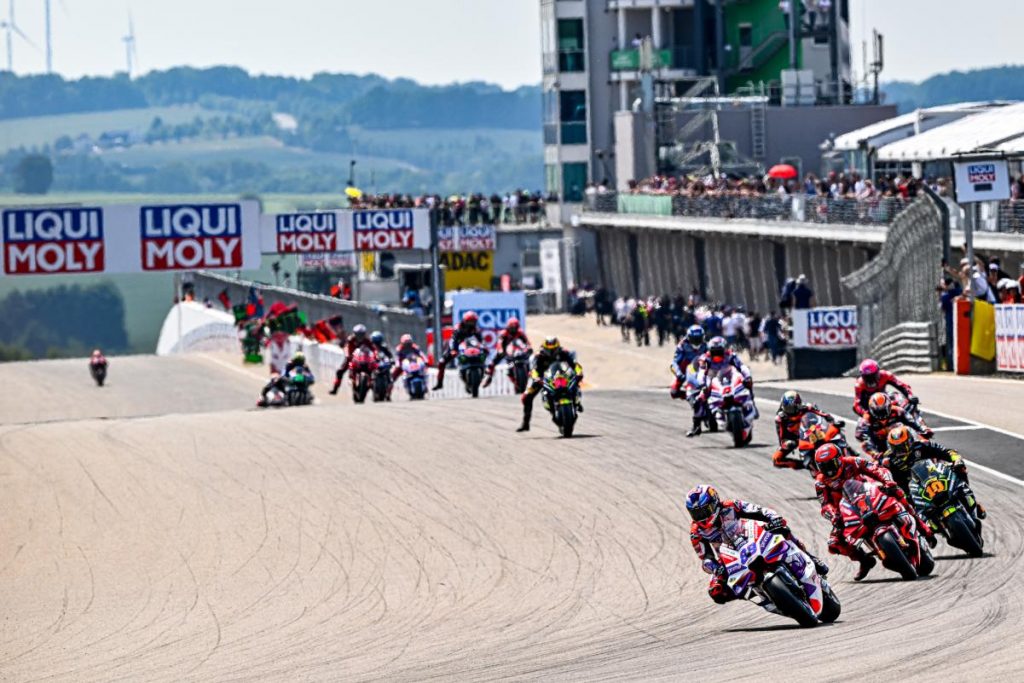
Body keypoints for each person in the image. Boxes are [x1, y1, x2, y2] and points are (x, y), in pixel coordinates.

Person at [685, 484, 829, 605]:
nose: (702, 517)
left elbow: (759, 511)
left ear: (714, 503)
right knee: (716, 592)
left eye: (705, 511)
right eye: (696, 514)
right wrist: (716, 569)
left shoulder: (731, 506)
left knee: (781, 528)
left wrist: (774, 519)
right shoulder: (696, 532)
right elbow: (706, 558)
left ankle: (810, 557)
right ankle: (760, 594)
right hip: (729, 560)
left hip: (751, 539)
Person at [813, 443, 933, 581]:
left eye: (831, 464)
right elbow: (825, 505)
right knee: (834, 543)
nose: (828, 470)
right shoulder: (820, 482)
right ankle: (864, 560)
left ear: (839, 459)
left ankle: (922, 527)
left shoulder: (853, 462)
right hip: (846, 510)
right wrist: (834, 516)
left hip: (869, 494)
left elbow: (877, 469)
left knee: (898, 493)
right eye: (823, 467)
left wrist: (888, 482)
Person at [882, 425, 986, 518]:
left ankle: (973, 501)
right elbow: (882, 477)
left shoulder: (922, 445)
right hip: (911, 489)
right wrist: (888, 488)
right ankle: (927, 530)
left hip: (934, 474)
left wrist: (957, 460)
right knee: (906, 509)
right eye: (896, 448)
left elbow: (947, 452)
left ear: (910, 441)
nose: (900, 451)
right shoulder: (888, 460)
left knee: (959, 468)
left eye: (902, 446)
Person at [516, 336, 583, 432]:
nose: (551, 352)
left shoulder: (564, 352)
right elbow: (534, 370)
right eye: (549, 350)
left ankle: (577, 403)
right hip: (543, 379)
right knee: (526, 397)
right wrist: (536, 378)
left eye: (554, 350)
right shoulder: (539, 356)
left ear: (558, 347)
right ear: (544, 348)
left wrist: (579, 372)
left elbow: (575, 364)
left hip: (561, 377)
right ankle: (525, 423)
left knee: (576, 382)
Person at [855, 392, 932, 459]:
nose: (882, 416)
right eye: (879, 412)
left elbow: (912, 421)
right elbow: (863, 440)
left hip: (901, 441)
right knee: (878, 466)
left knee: (925, 442)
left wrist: (924, 429)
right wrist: (875, 454)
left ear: (889, 406)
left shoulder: (897, 411)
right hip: (881, 450)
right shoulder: (865, 420)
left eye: (884, 410)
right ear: (871, 409)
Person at [772, 390, 834, 469]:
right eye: (788, 408)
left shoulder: (806, 407)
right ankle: (804, 465)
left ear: (799, 404)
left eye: (793, 408)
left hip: (811, 431)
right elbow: (782, 438)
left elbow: (820, 412)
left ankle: (840, 448)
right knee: (776, 460)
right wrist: (787, 443)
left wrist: (828, 417)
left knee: (830, 433)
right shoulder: (780, 418)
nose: (790, 411)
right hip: (794, 439)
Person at [432, 312, 484, 390]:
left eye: (473, 321)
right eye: (470, 321)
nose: (472, 324)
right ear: (465, 321)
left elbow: (480, 341)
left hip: (471, 349)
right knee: (441, 363)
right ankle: (439, 383)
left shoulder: (476, 329)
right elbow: (453, 340)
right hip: (457, 347)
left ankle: (482, 373)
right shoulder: (458, 327)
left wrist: (483, 347)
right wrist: (453, 350)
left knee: (484, 356)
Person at [329, 324, 376, 395]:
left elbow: (373, 349)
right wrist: (348, 355)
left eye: (361, 334)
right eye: (358, 334)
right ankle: (335, 389)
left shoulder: (367, 340)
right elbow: (347, 347)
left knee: (375, 370)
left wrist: (375, 356)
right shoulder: (351, 339)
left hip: (364, 359)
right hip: (352, 358)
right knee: (340, 371)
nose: (360, 336)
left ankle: (375, 390)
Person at [484, 317, 531, 387]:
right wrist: (500, 350)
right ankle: (489, 377)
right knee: (493, 362)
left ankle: (528, 373)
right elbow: (499, 343)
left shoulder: (520, 333)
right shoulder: (504, 333)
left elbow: (527, 342)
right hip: (505, 351)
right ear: (508, 327)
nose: (513, 329)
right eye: (512, 327)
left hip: (518, 351)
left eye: (515, 327)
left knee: (529, 358)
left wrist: (529, 348)